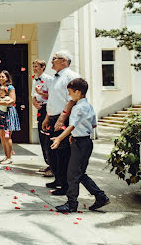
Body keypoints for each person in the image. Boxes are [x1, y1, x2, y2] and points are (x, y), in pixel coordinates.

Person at [50, 78, 110, 212]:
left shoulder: (77, 108)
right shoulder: (88, 106)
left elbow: (72, 126)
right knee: (80, 173)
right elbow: (93, 124)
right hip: (86, 142)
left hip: (80, 144)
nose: (69, 95)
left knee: (72, 174)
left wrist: (59, 138)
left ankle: (71, 204)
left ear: (78, 92)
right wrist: (75, 134)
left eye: (70, 92)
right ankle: (101, 196)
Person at [42, 50, 80, 196]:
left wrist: (62, 119)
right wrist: (47, 117)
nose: (51, 61)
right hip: (53, 117)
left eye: (54, 58)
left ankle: (66, 185)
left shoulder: (71, 76)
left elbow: (72, 99)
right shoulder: (55, 78)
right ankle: (58, 179)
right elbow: (52, 100)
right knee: (51, 151)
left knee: (63, 153)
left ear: (64, 61)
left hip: (64, 118)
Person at [0, 71, 20, 164]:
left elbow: (12, 101)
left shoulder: (10, 88)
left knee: (7, 136)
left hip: (8, 113)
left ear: (7, 78)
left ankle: (9, 157)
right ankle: (6, 155)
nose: (1, 78)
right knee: (1, 135)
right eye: (0, 76)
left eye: (3, 77)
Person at [31, 59, 54, 177]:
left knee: (47, 137)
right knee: (41, 137)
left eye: (36, 66)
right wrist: (34, 103)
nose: (34, 68)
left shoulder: (49, 79)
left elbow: (53, 95)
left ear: (43, 67)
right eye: (33, 66)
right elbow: (33, 96)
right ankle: (48, 163)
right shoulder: (34, 80)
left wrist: (41, 94)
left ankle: (53, 166)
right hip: (40, 109)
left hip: (48, 109)